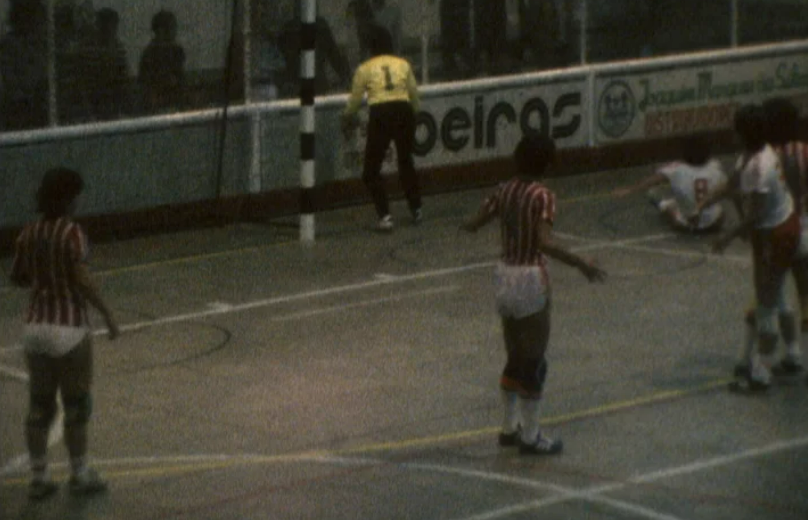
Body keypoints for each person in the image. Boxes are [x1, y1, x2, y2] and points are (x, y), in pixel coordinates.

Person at [461, 134, 606, 455]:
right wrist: (580, 261)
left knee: (514, 355)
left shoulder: (504, 190)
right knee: (535, 360)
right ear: (549, 164)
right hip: (530, 276)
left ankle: (507, 427)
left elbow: (475, 222)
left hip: (504, 275)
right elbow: (544, 242)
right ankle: (532, 435)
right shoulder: (543, 196)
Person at [10, 168, 119, 500]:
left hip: (35, 328)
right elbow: (82, 279)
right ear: (69, 198)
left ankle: (39, 477)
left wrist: (44, 279)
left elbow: (18, 277)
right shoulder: (72, 233)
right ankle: (79, 473)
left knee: (40, 406)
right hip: (68, 328)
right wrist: (107, 314)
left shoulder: (28, 233)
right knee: (76, 404)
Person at [693, 105, 800, 392]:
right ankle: (792, 354)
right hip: (781, 228)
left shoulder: (759, 168)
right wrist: (706, 202)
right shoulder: (756, 155)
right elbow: (731, 183)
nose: (732, 133)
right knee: (776, 295)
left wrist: (726, 238)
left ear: (744, 133)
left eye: (736, 129)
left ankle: (761, 373)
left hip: (776, 235)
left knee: (765, 305)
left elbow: (756, 215)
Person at [341, 26, 422, 232]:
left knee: (371, 170)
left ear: (370, 47)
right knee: (406, 162)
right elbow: (413, 94)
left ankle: (385, 216)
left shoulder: (365, 68)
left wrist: (346, 117)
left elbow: (355, 101)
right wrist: (415, 114)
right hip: (403, 110)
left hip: (381, 112)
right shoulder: (403, 64)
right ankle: (417, 208)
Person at [612, 134, 727, 233]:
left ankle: (662, 204)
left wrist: (629, 190)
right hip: (714, 224)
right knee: (718, 207)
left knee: (670, 207)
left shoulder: (676, 168)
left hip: (686, 225)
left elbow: (652, 180)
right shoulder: (715, 165)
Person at [276, 5, 350, 98]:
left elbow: (335, 57)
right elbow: (335, 58)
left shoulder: (319, 27)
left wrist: (346, 78)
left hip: (312, 89)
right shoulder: (289, 30)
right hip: (300, 90)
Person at [0, 0, 48, 131]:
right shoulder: (10, 46)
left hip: (39, 113)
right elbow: (12, 85)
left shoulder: (40, 43)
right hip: (19, 114)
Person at [81, 7, 129, 119]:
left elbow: (124, 78)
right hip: (94, 103)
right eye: (106, 25)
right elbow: (84, 82)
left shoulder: (118, 49)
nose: (110, 29)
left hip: (114, 103)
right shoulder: (89, 50)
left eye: (113, 26)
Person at [138, 9, 185, 113]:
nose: (174, 32)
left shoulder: (177, 52)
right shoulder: (149, 55)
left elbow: (180, 81)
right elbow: (146, 86)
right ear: (159, 31)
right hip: (156, 109)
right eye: (170, 28)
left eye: (173, 28)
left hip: (176, 106)